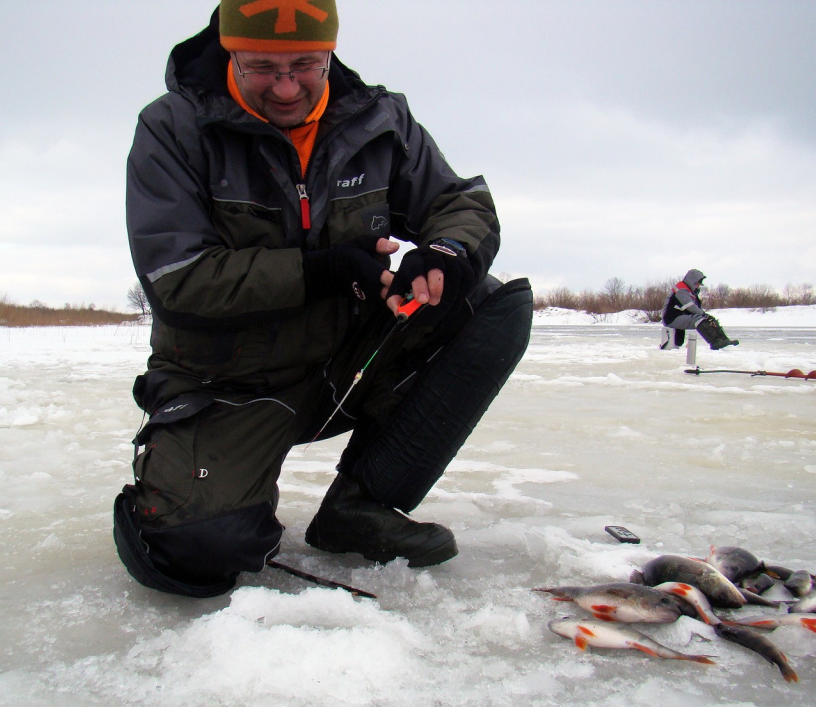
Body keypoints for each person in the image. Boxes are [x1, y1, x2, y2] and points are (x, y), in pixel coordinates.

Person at [113, 0, 533, 598]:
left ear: (330, 52)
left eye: (306, 65)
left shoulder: (380, 119)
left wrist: (445, 253)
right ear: (230, 50)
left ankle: (362, 505)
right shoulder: (173, 127)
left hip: (345, 362)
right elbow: (179, 278)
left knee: (493, 304)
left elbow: (459, 202)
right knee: (199, 554)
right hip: (227, 383)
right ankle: (184, 489)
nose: (286, 88)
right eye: (261, 67)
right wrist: (323, 271)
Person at [660, 268, 738, 350]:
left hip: (681, 317)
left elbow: (697, 308)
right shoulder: (681, 290)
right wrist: (704, 315)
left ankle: (724, 340)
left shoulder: (691, 292)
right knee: (699, 319)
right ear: (692, 281)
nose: (698, 286)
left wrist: (706, 316)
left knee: (710, 319)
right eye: (697, 283)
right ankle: (714, 342)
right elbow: (691, 307)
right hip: (671, 318)